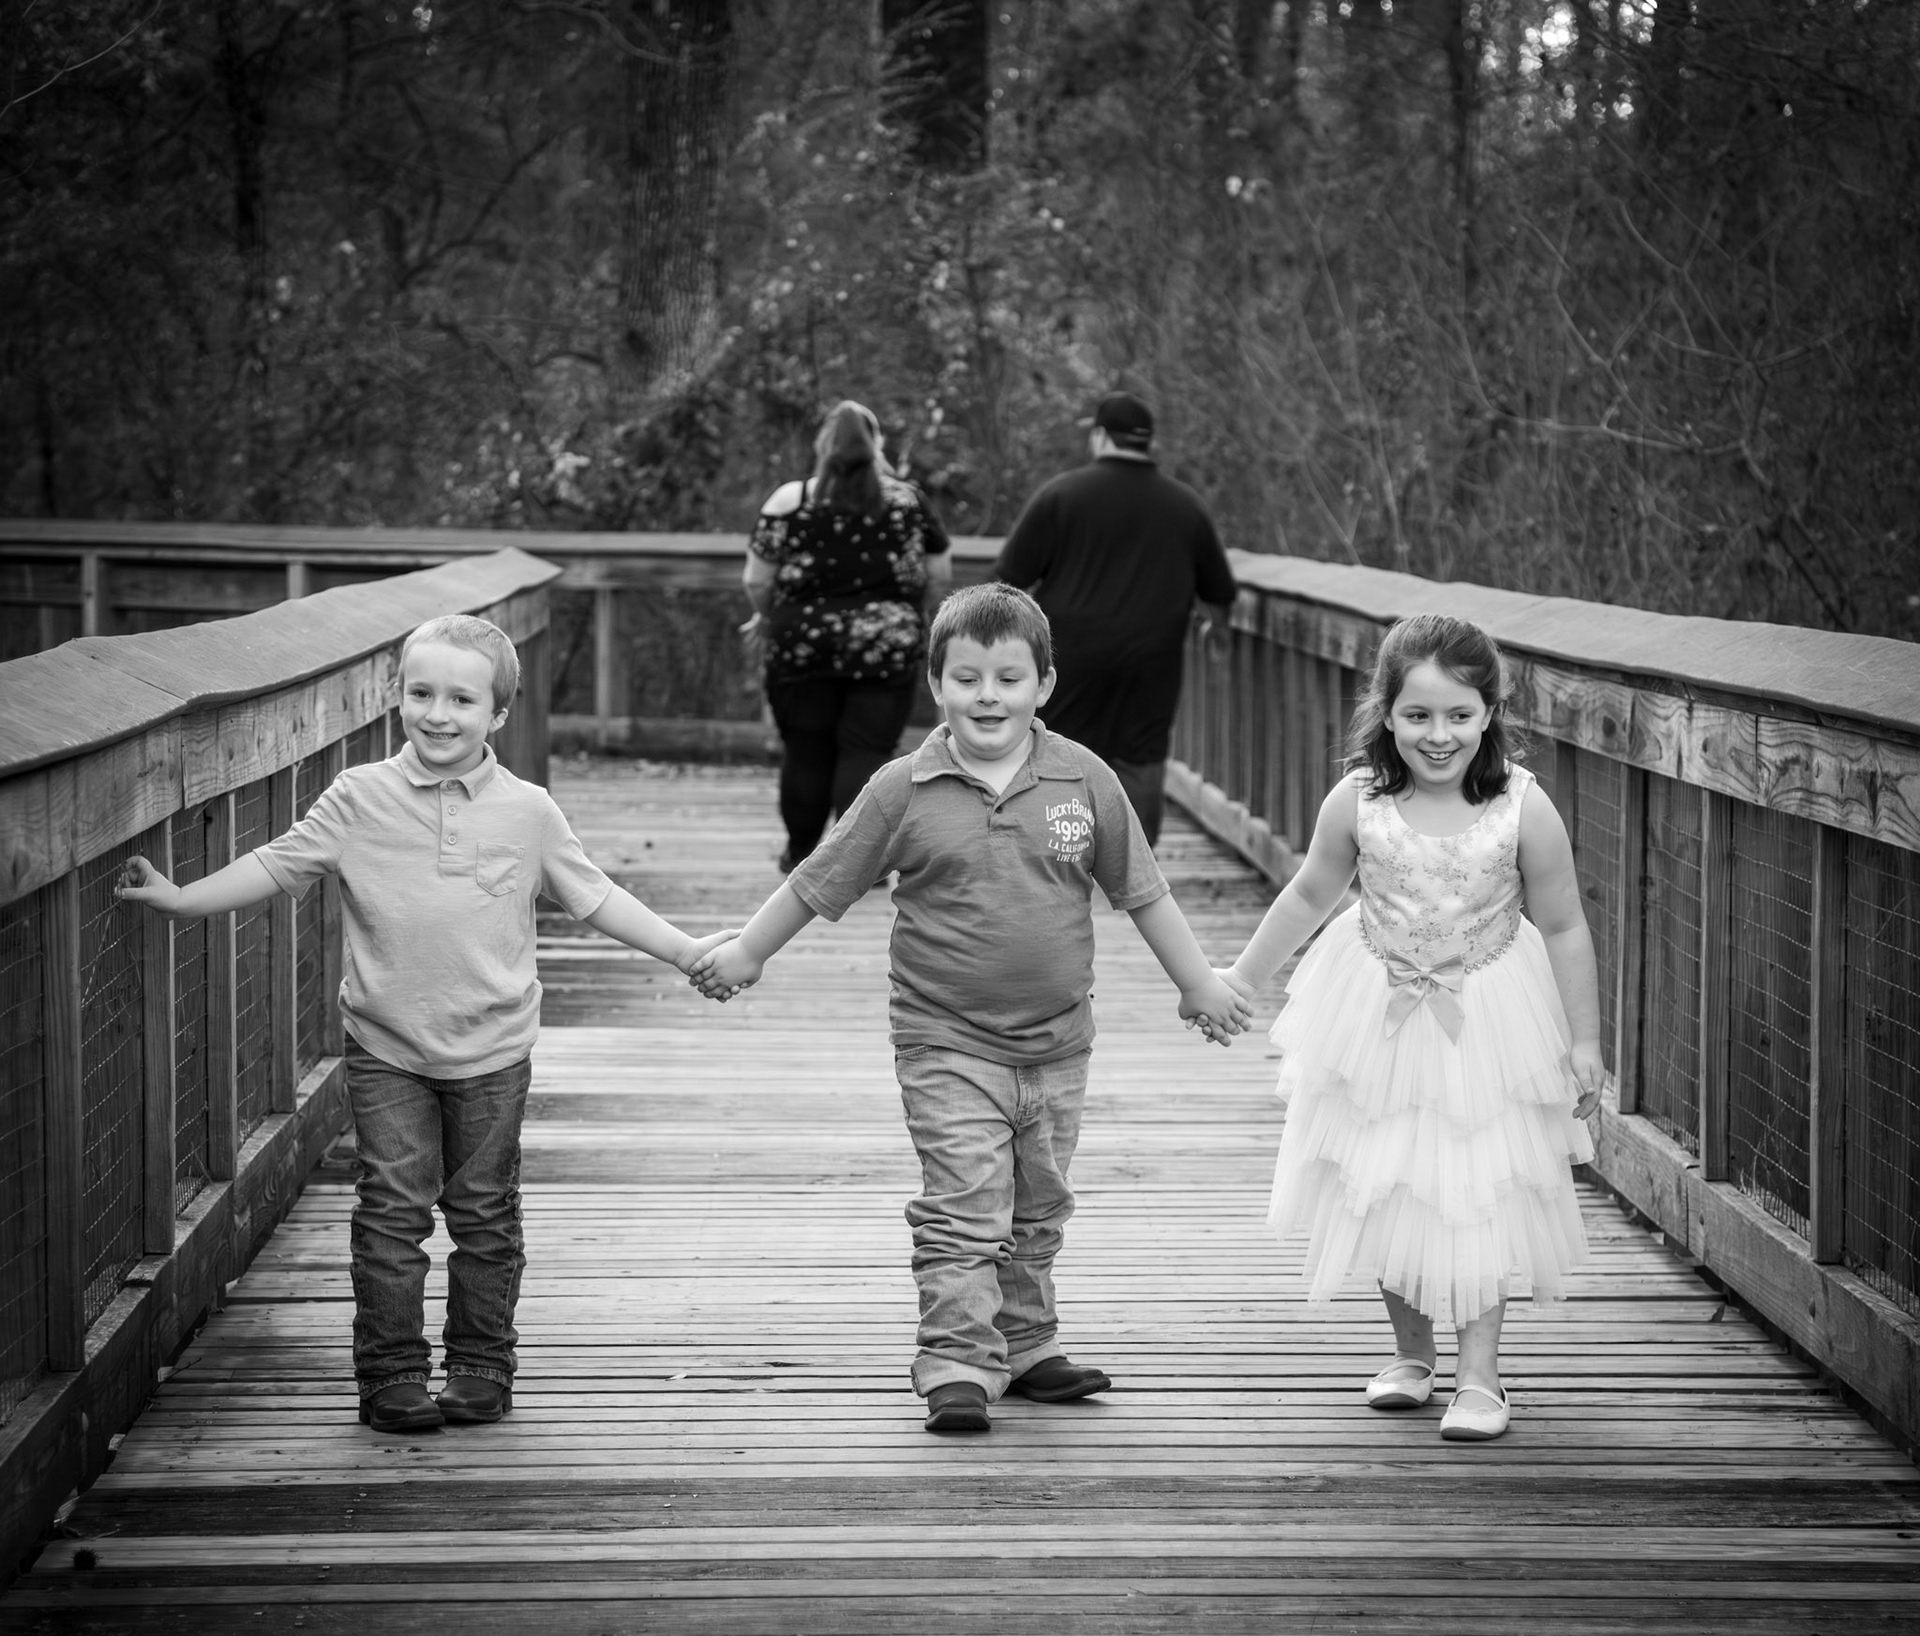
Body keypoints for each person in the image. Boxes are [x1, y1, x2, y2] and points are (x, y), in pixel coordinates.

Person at [117, 615, 735, 1434]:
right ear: (397, 698)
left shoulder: (528, 811)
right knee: (391, 1213)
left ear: (498, 714)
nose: (438, 714)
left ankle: (481, 1366)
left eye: (462, 700)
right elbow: (277, 862)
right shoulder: (358, 797)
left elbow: (597, 898)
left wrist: (686, 951)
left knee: (484, 1213)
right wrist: (181, 899)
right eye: (421, 694)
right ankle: (392, 1373)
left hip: (493, 1048)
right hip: (388, 1047)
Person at [688, 583, 1252, 1433]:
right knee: (963, 1204)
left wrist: (1197, 981)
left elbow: (1142, 891)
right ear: (935, 683)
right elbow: (819, 879)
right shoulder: (903, 788)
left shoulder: (1083, 779)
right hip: (944, 1040)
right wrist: (750, 951)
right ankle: (956, 1357)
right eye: (967, 678)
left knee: (1038, 1204)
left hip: (1059, 1045)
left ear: (1044, 684)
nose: (989, 696)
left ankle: (1025, 1344)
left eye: (1009, 679)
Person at [1216, 614, 1604, 1442]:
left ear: (1490, 713)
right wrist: (1242, 979)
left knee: (1475, 1189)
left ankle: (1481, 1376)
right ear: (1386, 713)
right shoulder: (1359, 800)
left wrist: (1584, 1041)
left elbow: (1565, 922)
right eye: (1418, 715)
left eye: (1460, 715)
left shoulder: (1522, 807)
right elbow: (1310, 894)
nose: (1439, 735)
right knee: (1389, 1178)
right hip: (1378, 1014)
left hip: (1487, 1020)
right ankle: (1412, 1354)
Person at [993, 391, 1237, 847]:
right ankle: (1134, 862)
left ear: (1100, 435)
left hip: (1070, 653)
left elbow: (1009, 579)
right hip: (1152, 656)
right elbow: (1219, 591)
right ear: (1147, 442)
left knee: (1060, 749)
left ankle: (1054, 852)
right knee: (1141, 757)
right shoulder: (1185, 505)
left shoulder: (1061, 495)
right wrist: (1218, 630)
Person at [746, 399, 953, 870]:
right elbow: (939, 573)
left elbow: (756, 580)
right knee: (868, 750)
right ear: (877, 444)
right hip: (886, 648)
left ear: (823, 444)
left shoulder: (789, 501)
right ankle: (862, 864)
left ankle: (801, 854)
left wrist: (767, 616)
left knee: (806, 750)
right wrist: (912, 614)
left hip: (803, 649)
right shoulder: (908, 502)